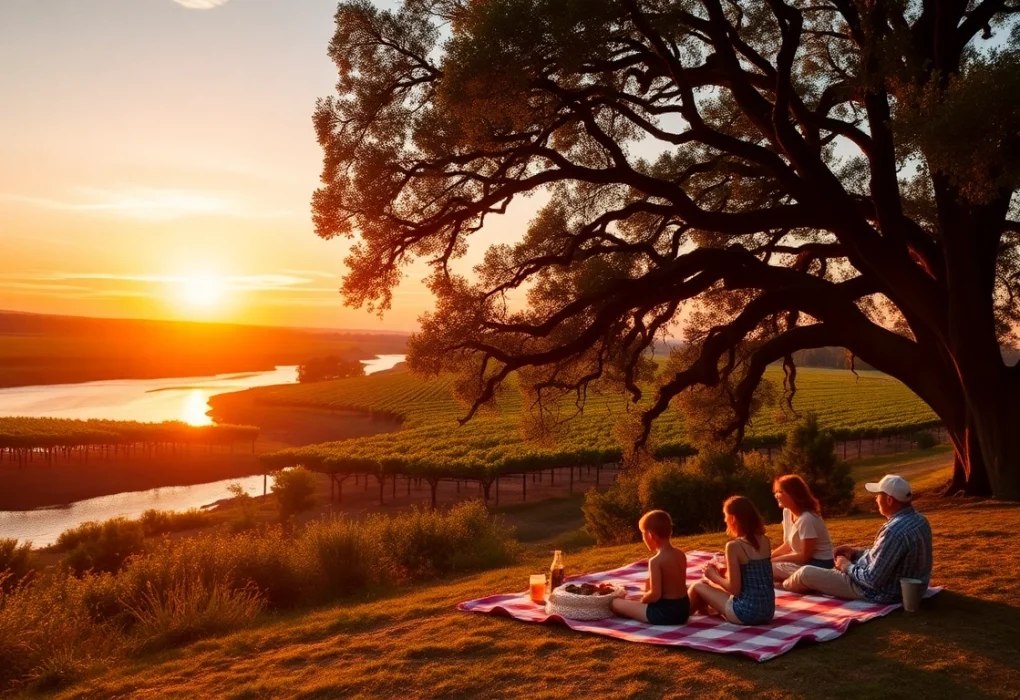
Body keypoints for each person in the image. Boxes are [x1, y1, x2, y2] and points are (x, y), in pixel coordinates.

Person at [783, 474, 932, 603]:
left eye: (878, 494)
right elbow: (887, 556)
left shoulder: (893, 531)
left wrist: (846, 566)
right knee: (804, 572)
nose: (875, 498)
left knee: (805, 573)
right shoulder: (919, 520)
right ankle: (790, 582)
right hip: (905, 589)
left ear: (889, 500)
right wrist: (855, 553)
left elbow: (872, 580)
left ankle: (782, 588)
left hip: (879, 592)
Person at [688, 496, 775, 626]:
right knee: (705, 585)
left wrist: (712, 575)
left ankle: (676, 616)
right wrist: (723, 572)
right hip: (767, 612)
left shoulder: (734, 546)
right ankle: (707, 610)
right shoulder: (765, 541)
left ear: (733, 518)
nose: (724, 520)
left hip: (746, 613)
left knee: (698, 586)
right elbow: (752, 580)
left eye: (725, 516)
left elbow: (734, 589)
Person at [611, 510, 690, 625]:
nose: (643, 538)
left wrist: (643, 600)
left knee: (616, 604)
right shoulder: (680, 554)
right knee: (648, 582)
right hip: (683, 610)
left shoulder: (656, 561)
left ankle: (633, 611)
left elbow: (655, 595)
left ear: (650, 535)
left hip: (666, 614)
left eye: (642, 534)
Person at [770, 474, 834, 582]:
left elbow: (805, 556)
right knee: (766, 565)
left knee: (768, 569)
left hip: (819, 564)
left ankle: (802, 583)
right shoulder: (787, 512)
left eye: (780, 492)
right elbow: (788, 545)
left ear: (793, 494)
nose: (776, 495)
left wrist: (773, 560)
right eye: (776, 492)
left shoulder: (807, 519)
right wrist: (769, 557)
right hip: (802, 561)